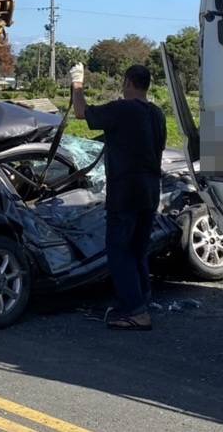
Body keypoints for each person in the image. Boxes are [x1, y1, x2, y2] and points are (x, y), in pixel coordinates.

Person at [70, 61, 165, 330]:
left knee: (118, 251)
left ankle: (136, 311)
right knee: (137, 249)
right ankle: (139, 300)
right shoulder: (156, 113)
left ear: (128, 83)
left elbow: (81, 113)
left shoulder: (123, 109)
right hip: (150, 190)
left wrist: (78, 83)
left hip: (126, 191)